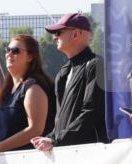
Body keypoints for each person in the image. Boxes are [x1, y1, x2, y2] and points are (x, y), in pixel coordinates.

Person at [32, 13, 108, 151]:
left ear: (75, 34)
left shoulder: (96, 64)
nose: (54, 37)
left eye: (59, 32)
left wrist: (56, 140)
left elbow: (92, 113)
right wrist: (50, 138)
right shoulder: (64, 72)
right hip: (66, 153)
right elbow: (61, 120)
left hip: (89, 154)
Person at [0, 35, 55, 157]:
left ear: (30, 57)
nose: (9, 54)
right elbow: (10, 132)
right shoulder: (9, 91)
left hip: (31, 163)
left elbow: (35, 130)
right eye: (8, 49)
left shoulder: (34, 88)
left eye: (15, 51)